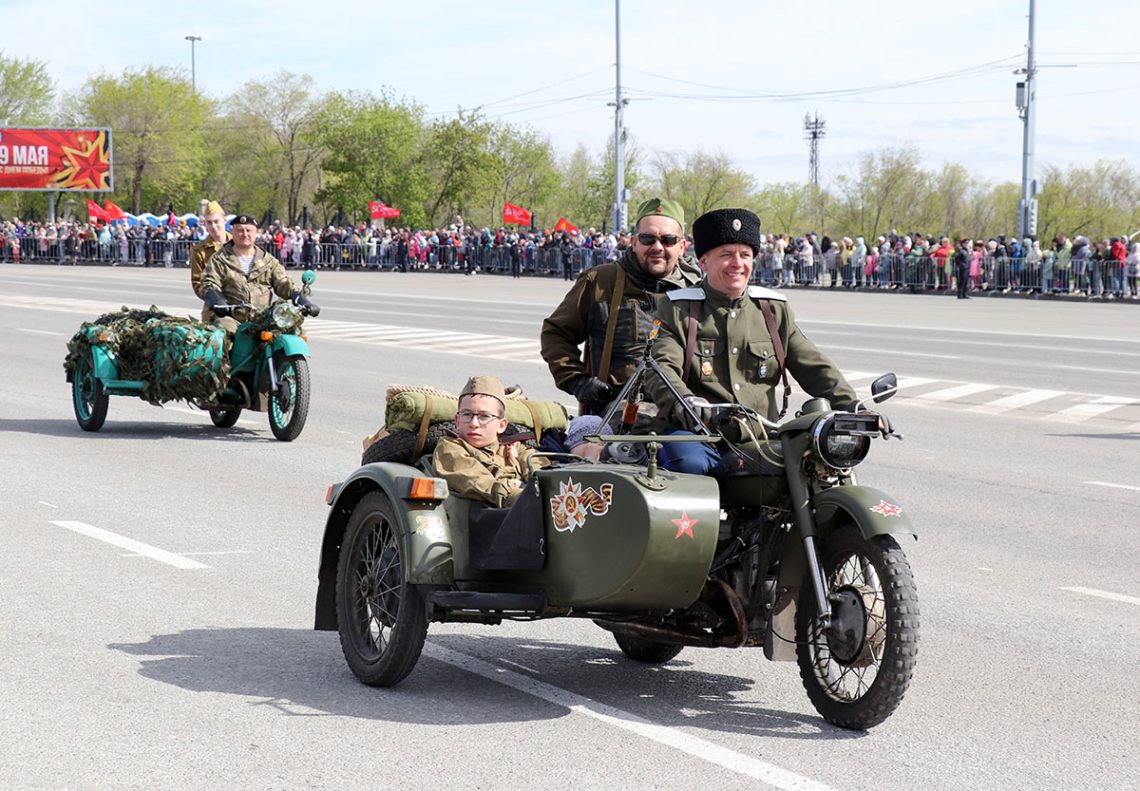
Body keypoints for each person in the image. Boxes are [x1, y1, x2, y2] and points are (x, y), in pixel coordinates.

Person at [646, 208, 858, 475]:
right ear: (703, 262)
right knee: (690, 468)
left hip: (759, 437)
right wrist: (685, 402)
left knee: (812, 467)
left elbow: (812, 364)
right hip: (697, 436)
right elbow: (660, 367)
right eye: (726, 255)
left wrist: (852, 406)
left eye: (745, 255)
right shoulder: (677, 309)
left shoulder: (772, 310)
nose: (737, 263)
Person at [540, 198, 703, 415]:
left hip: (681, 415)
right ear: (634, 242)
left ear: (682, 247)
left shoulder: (697, 292)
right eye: (648, 239)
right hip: (617, 414)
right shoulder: (601, 282)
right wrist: (577, 381)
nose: (657, 247)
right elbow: (556, 334)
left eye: (668, 240)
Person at [432, 375, 548, 508]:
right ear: (457, 421)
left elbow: (540, 468)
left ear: (502, 425)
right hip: (481, 523)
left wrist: (544, 484)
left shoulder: (514, 449)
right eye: (467, 414)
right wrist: (521, 497)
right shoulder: (449, 448)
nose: (474, 423)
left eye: (484, 416)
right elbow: (479, 482)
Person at [199, 214, 318, 333]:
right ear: (232, 232)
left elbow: (283, 283)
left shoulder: (268, 261)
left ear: (255, 232)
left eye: (248, 230)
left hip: (263, 320)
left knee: (291, 333)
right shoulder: (220, 259)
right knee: (223, 331)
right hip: (232, 319)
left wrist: (301, 300)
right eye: (240, 230)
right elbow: (209, 282)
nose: (245, 234)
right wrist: (217, 300)